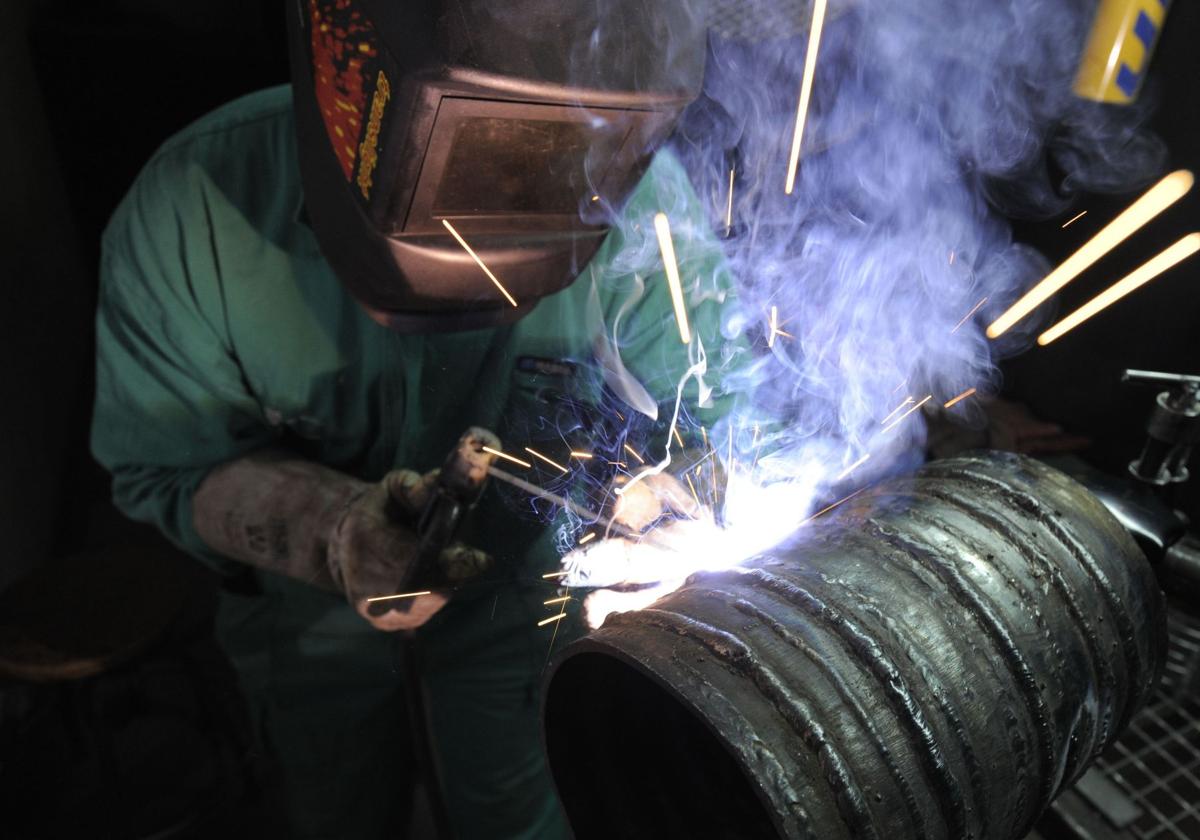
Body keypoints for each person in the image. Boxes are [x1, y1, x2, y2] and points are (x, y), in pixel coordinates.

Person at [90, 2, 732, 837]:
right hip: (309, 645)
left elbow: (726, 409)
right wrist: (328, 529)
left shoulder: (638, 201)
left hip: (524, 643)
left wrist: (687, 500)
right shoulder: (190, 212)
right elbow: (165, 467)